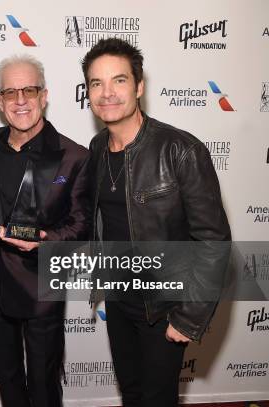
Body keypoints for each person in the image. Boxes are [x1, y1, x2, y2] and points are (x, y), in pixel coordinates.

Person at [81, 38, 231, 406]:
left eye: (118, 80)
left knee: (157, 399)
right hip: (119, 301)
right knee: (131, 394)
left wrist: (189, 317)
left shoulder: (180, 150)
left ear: (139, 86)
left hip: (163, 308)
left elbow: (214, 241)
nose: (107, 93)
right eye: (96, 83)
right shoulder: (97, 148)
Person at [0, 55, 90, 407]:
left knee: (43, 387)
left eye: (29, 90)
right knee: (8, 384)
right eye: (10, 92)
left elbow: (82, 226)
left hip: (42, 289)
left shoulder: (73, 156)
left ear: (44, 96)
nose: (20, 100)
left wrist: (45, 242)